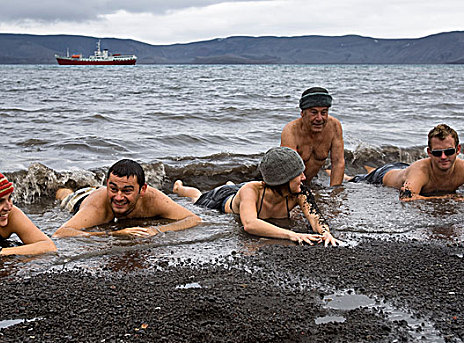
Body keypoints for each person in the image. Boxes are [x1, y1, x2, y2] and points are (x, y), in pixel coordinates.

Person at [173, 147, 339, 246]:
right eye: (298, 174)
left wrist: (326, 233)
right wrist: (292, 234)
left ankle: (230, 184)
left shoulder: (299, 191)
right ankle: (179, 187)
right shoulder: (251, 190)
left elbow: (315, 218)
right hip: (220, 199)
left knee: (235, 188)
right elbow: (250, 225)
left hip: (242, 195)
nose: (304, 177)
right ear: (283, 179)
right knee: (197, 197)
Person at [53, 159, 201, 238]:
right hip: (81, 200)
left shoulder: (153, 198)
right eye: (113, 189)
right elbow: (62, 233)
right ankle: (59, 188)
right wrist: (113, 234)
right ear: (107, 185)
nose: (118, 197)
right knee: (66, 196)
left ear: (142, 189)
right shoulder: (98, 205)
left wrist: (156, 230)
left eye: (127, 191)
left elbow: (193, 219)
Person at [348, 124, 464, 201]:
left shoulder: (462, 168)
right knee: (356, 179)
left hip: (404, 170)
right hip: (383, 175)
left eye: (448, 151)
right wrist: (447, 197)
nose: (443, 157)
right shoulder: (421, 171)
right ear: (429, 152)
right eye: (438, 153)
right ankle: (347, 176)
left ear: (458, 150)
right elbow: (406, 198)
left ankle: (369, 168)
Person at [281, 87, 345, 186]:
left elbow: (338, 162)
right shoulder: (290, 131)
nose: (319, 118)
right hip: (289, 183)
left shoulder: (334, 126)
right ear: (302, 113)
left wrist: (334, 194)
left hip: (311, 181)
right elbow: (289, 170)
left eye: (324, 112)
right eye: (314, 112)